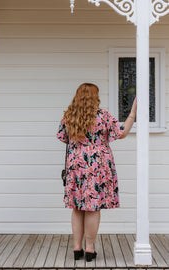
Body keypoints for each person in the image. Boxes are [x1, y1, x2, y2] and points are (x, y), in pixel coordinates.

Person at [56, 82, 137, 262]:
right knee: (93, 208)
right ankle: (90, 249)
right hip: (97, 167)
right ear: (95, 97)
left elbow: (63, 138)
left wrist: (80, 145)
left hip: (75, 166)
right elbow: (121, 133)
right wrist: (132, 114)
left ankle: (77, 248)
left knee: (77, 207)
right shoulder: (103, 116)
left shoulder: (69, 116)